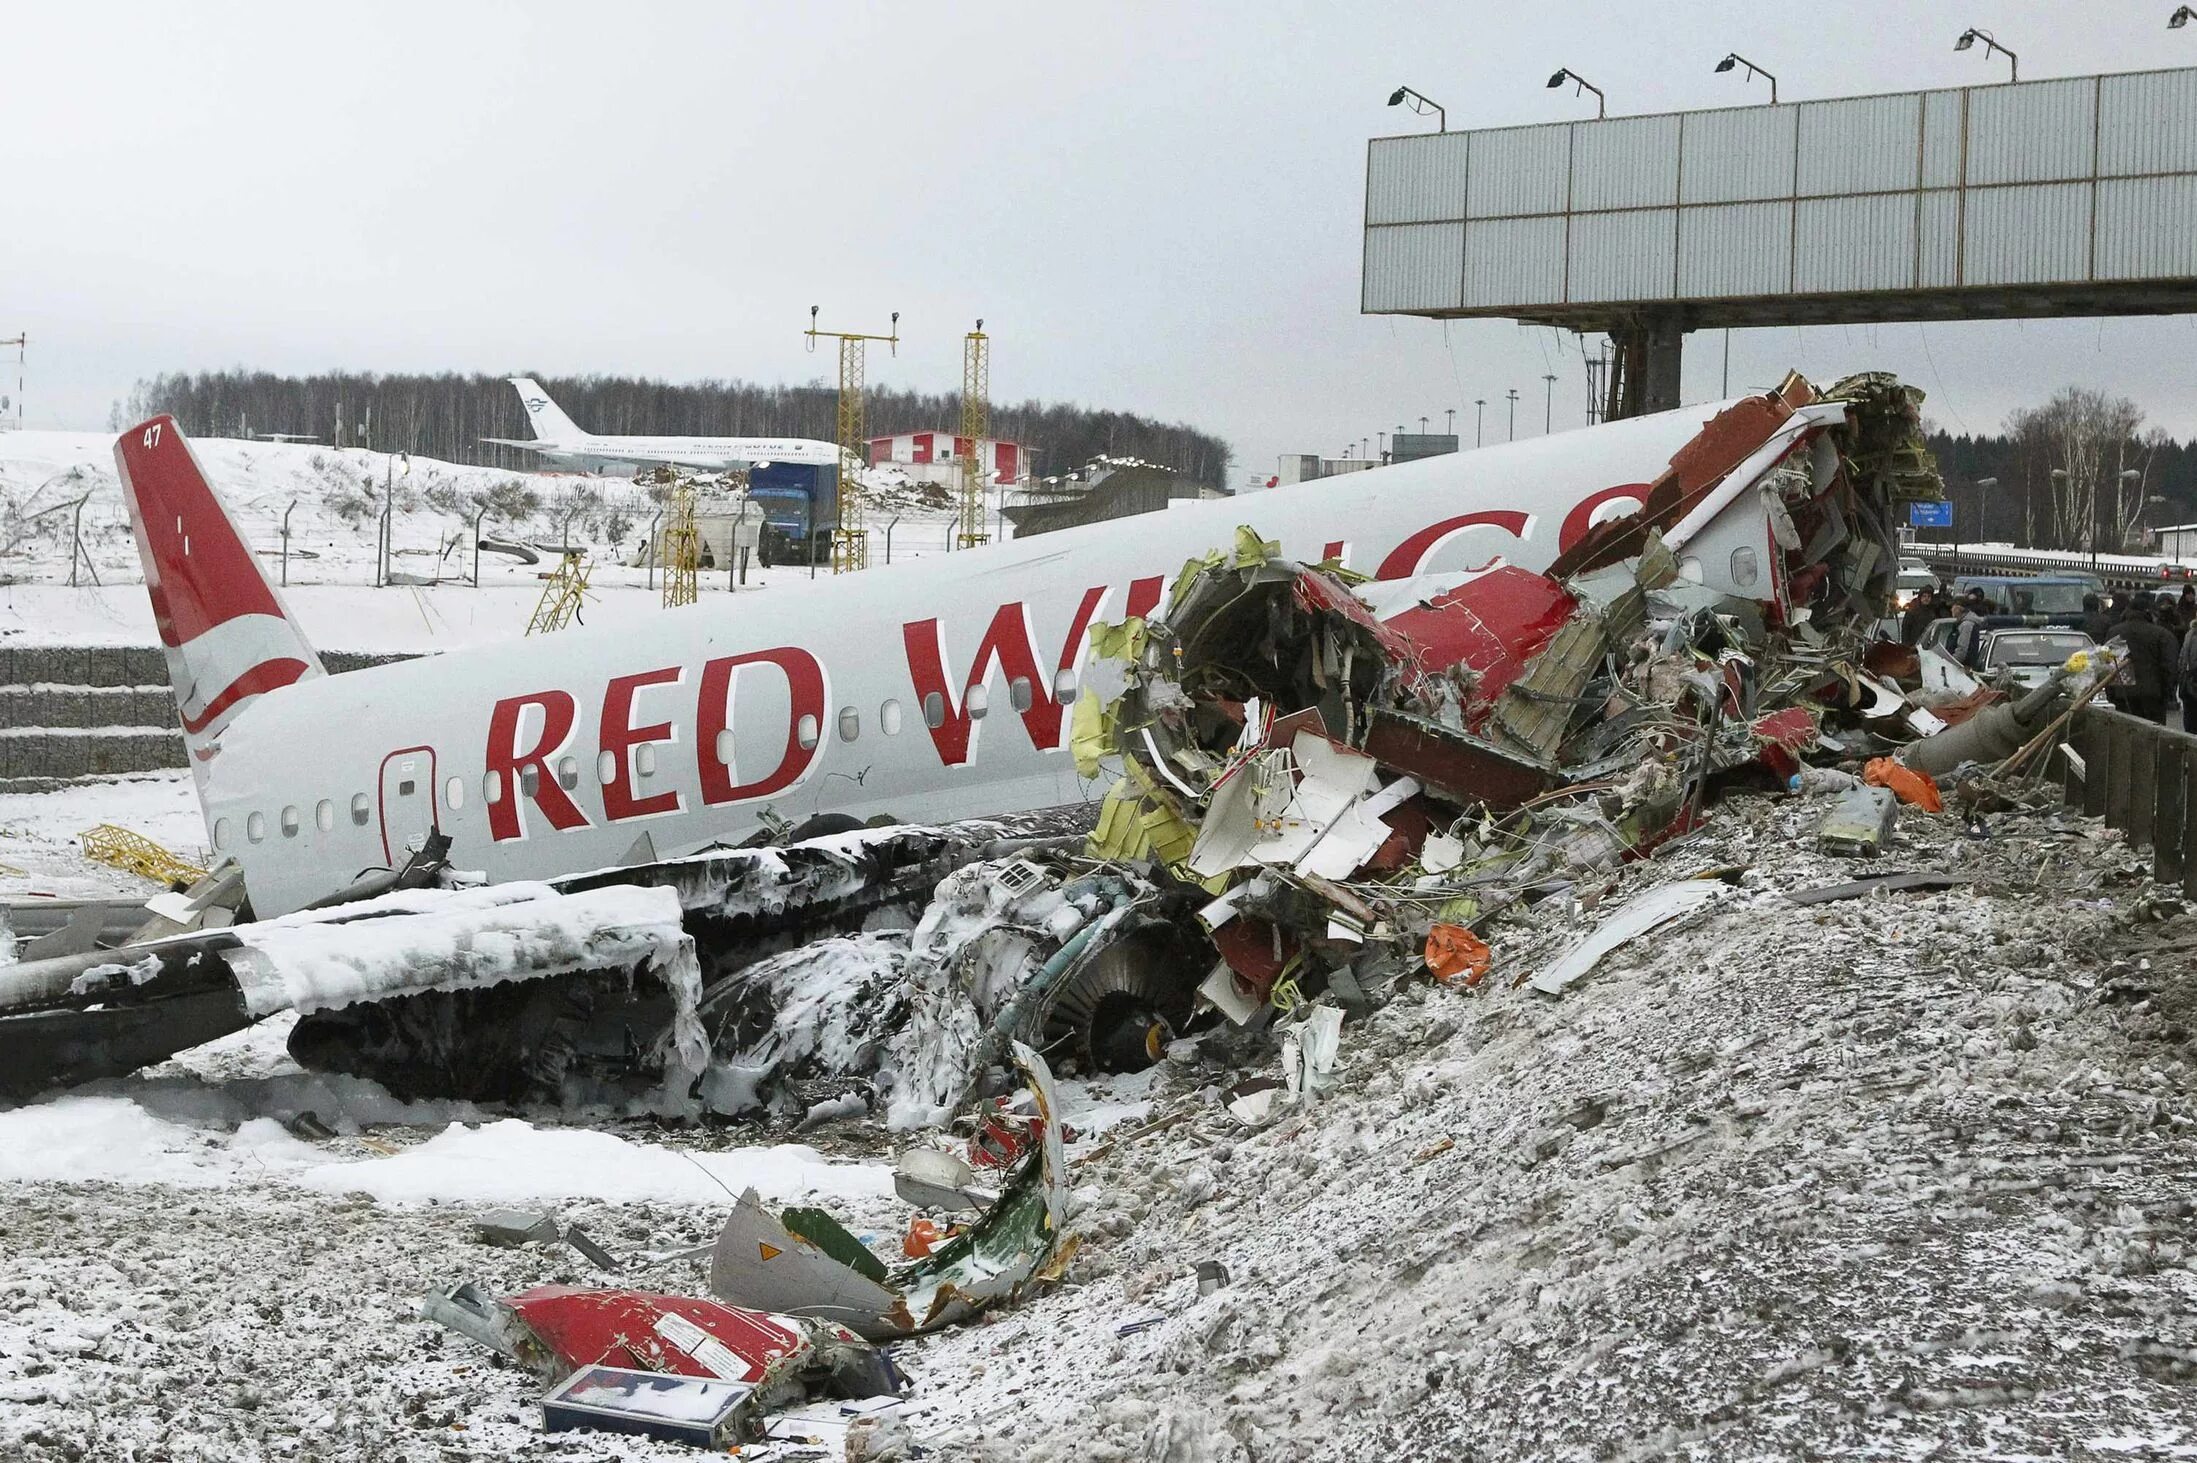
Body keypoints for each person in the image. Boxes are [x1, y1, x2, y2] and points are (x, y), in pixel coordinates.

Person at [2112, 591, 2179, 724]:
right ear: (2149, 612)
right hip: (2153, 696)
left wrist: (2112, 694)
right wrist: (2166, 694)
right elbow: (2170, 667)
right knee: (2153, 739)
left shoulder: (2115, 632)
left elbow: (2109, 664)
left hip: (2123, 694)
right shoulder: (2162, 635)